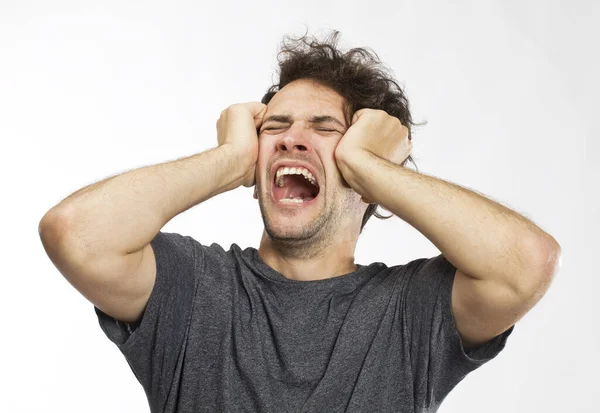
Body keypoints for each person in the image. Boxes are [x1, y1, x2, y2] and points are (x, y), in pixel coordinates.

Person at [38, 30, 561, 412]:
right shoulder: (192, 288)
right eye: (277, 127)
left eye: (325, 128)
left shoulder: (410, 312)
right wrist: (228, 160)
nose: (291, 138)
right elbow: (75, 234)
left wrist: (370, 167)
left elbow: (526, 263)